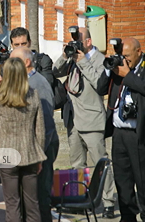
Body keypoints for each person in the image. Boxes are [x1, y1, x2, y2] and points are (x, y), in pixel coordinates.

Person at [52, 27, 115, 218]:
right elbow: (55, 71)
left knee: (100, 163)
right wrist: (65, 55)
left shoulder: (101, 60)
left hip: (93, 120)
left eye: (80, 40)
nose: (77, 45)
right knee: (77, 164)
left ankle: (109, 202)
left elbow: (101, 85)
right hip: (74, 121)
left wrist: (83, 62)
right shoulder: (73, 56)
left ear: (88, 42)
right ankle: (81, 201)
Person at [0, 57, 46, 222]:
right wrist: (40, 157)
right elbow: (40, 130)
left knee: (12, 204)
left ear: (6, 75)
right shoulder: (34, 96)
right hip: (30, 155)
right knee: (32, 205)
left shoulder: (1, 97)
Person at [97, 38, 145, 222]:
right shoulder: (119, 69)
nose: (124, 60)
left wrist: (128, 75)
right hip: (119, 134)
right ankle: (127, 217)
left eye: (127, 56)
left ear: (139, 52)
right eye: (121, 56)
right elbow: (101, 88)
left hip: (138, 135)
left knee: (142, 182)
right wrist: (110, 68)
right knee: (122, 182)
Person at [10, 47, 59, 222]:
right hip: (28, 153)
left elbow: (45, 124)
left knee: (39, 200)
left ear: (26, 63)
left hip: (40, 152)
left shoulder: (37, 84)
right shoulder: (23, 82)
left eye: (13, 61)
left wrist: (38, 156)